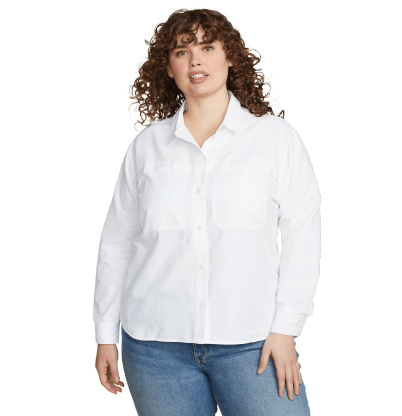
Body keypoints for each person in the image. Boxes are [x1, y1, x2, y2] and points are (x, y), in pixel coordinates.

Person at [93, 6, 321, 416]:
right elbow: (117, 243)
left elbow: (303, 235)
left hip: (254, 342)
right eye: (182, 52)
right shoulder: (146, 148)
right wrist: (105, 333)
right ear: (169, 69)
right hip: (155, 349)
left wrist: (286, 328)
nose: (195, 60)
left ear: (230, 57)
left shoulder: (275, 139)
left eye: (207, 47)